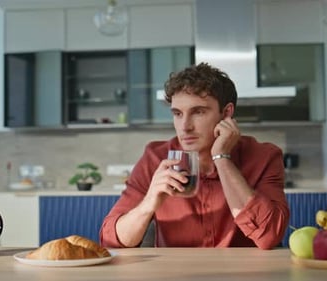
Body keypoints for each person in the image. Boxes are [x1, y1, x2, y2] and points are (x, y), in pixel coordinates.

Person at [100, 62, 290, 249]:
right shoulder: (155, 158)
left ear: (226, 113)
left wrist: (222, 158)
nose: (185, 127)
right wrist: (149, 204)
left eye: (198, 112)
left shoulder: (264, 157)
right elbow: (111, 239)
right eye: (177, 114)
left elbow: (269, 236)